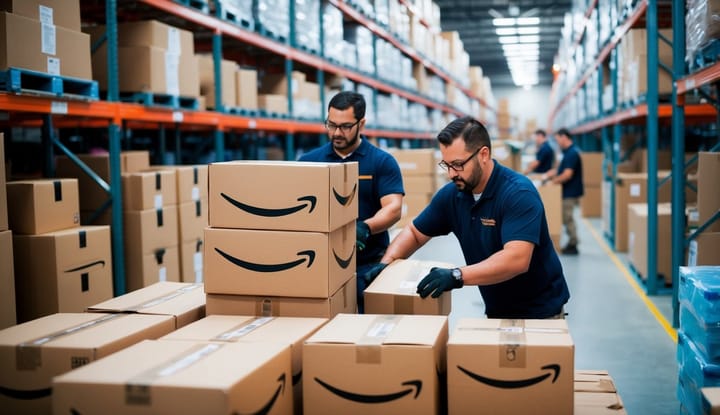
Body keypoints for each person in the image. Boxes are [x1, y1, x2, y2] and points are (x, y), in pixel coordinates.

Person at [361, 116, 570, 319]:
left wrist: (457, 276)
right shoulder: (453, 195)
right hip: (497, 310)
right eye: (446, 165)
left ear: (484, 155)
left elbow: (516, 259)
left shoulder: (517, 193)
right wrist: (387, 263)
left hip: (541, 313)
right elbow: (415, 232)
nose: (451, 174)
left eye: (458, 164)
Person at [299, 91, 404, 313]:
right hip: (320, 264)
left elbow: (393, 208)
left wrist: (366, 227)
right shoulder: (309, 162)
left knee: (368, 330)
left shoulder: (381, 162)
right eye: (331, 124)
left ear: (361, 124)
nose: (337, 133)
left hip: (368, 264)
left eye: (345, 126)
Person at [544, 128, 584, 255]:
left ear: (564, 137)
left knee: (568, 218)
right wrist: (547, 175)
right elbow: (560, 170)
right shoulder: (567, 152)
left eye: (558, 140)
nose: (557, 143)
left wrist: (553, 182)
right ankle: (573, 241)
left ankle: (573, 243)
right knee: (566, 217)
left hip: (570, 192)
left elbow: (567, 174)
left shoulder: (572, 153)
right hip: (566, 191)